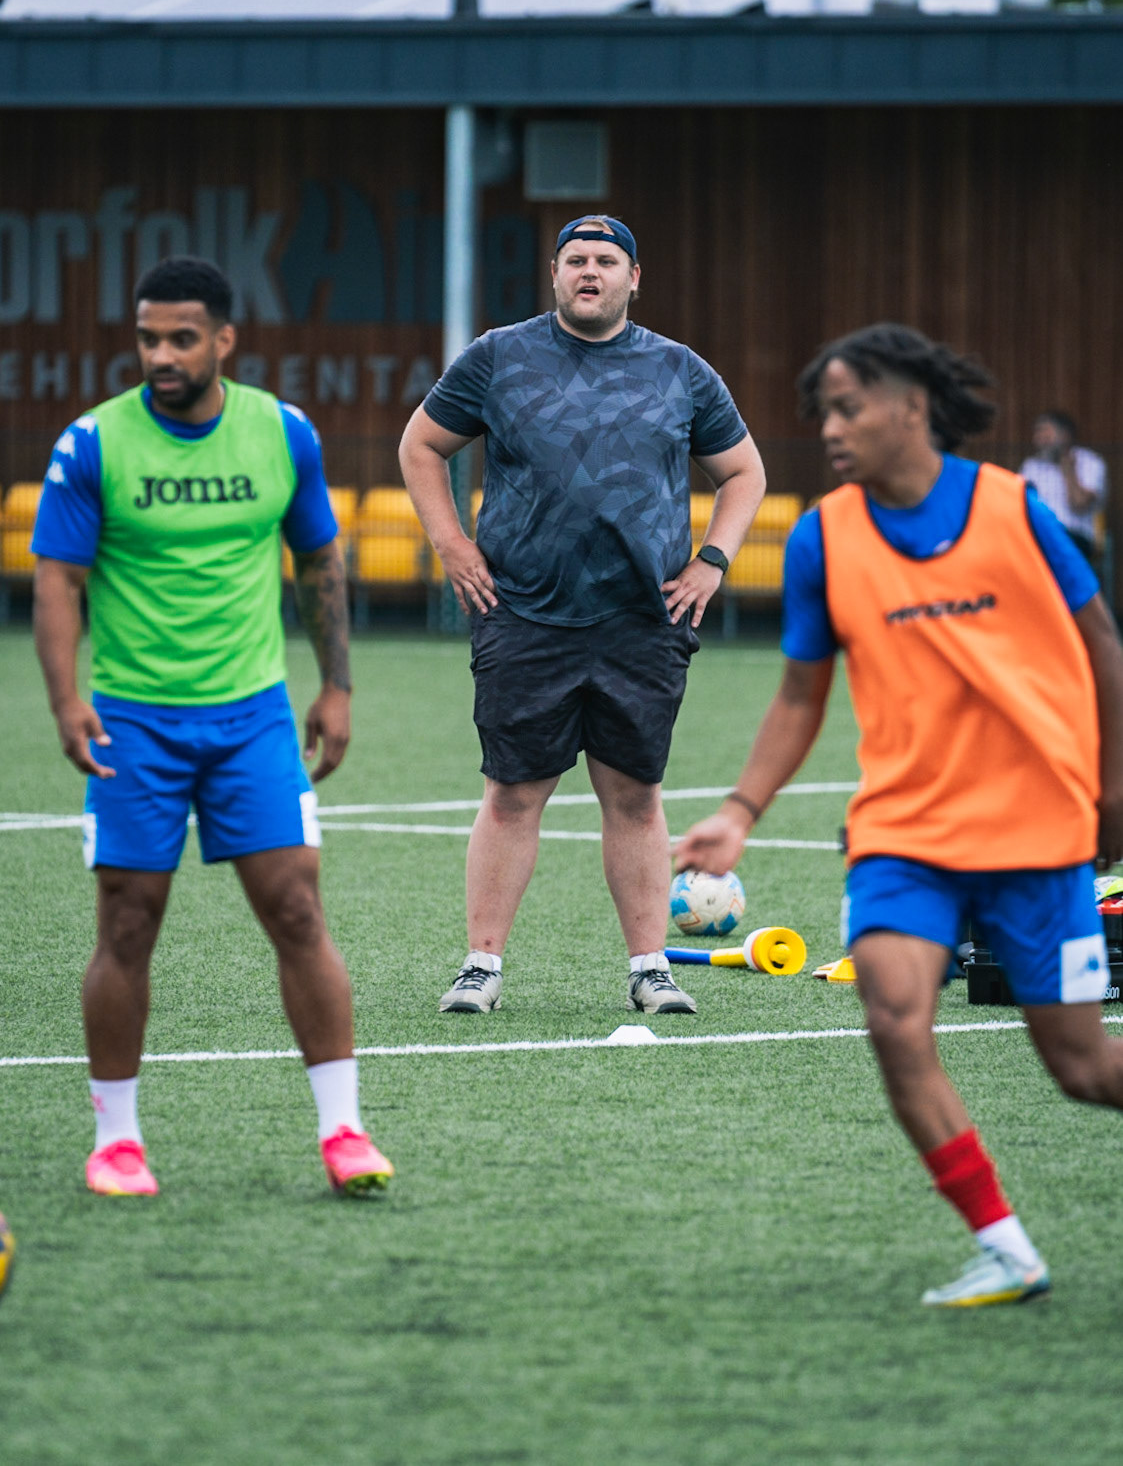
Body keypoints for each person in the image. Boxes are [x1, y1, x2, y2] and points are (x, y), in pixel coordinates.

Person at [676, 321, 1123, 1308]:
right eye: (822, 414)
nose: (830, 430)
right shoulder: (820, 537)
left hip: (1035, 825)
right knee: (892, 1017)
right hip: (903, 833)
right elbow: (800, 695)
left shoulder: (1011, 507)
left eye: (848, 408)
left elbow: (1100, 641)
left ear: (911, 406)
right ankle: (1005, 1247)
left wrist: (1114, 786)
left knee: (1085, 1069)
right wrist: (740, 810)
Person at [32, 256, 393, 1198]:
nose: (161, 355)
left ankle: (345, 1131)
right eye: (147, 338)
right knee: (127, 922)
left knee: (298, 910)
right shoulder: (92, 444)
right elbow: (58, 579)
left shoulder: (282, 432)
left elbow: (319, 558)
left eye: (182, 338)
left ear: (224, 341)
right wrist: (67, 701)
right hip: (134, 723)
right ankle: (117, 1142)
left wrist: (337, 687)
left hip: (252, 720)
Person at [399, 214, 765, 1016]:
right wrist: (450, 543)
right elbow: (420, 446)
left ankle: (649, 969)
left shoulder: (680, 370)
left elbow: (742, 471)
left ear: (634, 278)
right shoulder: (499, 356)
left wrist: (711, 560)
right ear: (555, 274)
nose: (589, 271)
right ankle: (481, 967)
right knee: (511, 793)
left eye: (605, 260)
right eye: (575, 260)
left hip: (642, 618)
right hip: (524, 612)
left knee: (634, 796)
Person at [1020, 410, 1106, 565]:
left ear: (1065, 435)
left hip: (1076, 537)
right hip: (1039, 534)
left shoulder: (1090, 462)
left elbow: (1079, 504)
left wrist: (1069, 471)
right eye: (1037, 433)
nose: (1038, 438)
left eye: (1045, 432)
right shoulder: (1031, 466)